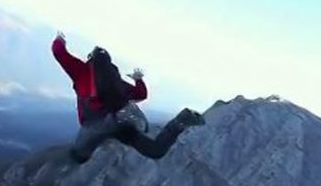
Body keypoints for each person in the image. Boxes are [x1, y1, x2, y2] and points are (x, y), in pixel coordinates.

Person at [51, 31, 205, 163]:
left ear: (90, 59)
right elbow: (141, 94)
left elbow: (58, 51)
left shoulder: (81, 71)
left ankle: (74, 158)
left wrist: (60, 39)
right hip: (121, 123)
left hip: (94, 124)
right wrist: (138, 79)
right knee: (155, 150)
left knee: (78, 155)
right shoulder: (117, 83)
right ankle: (181, 120)